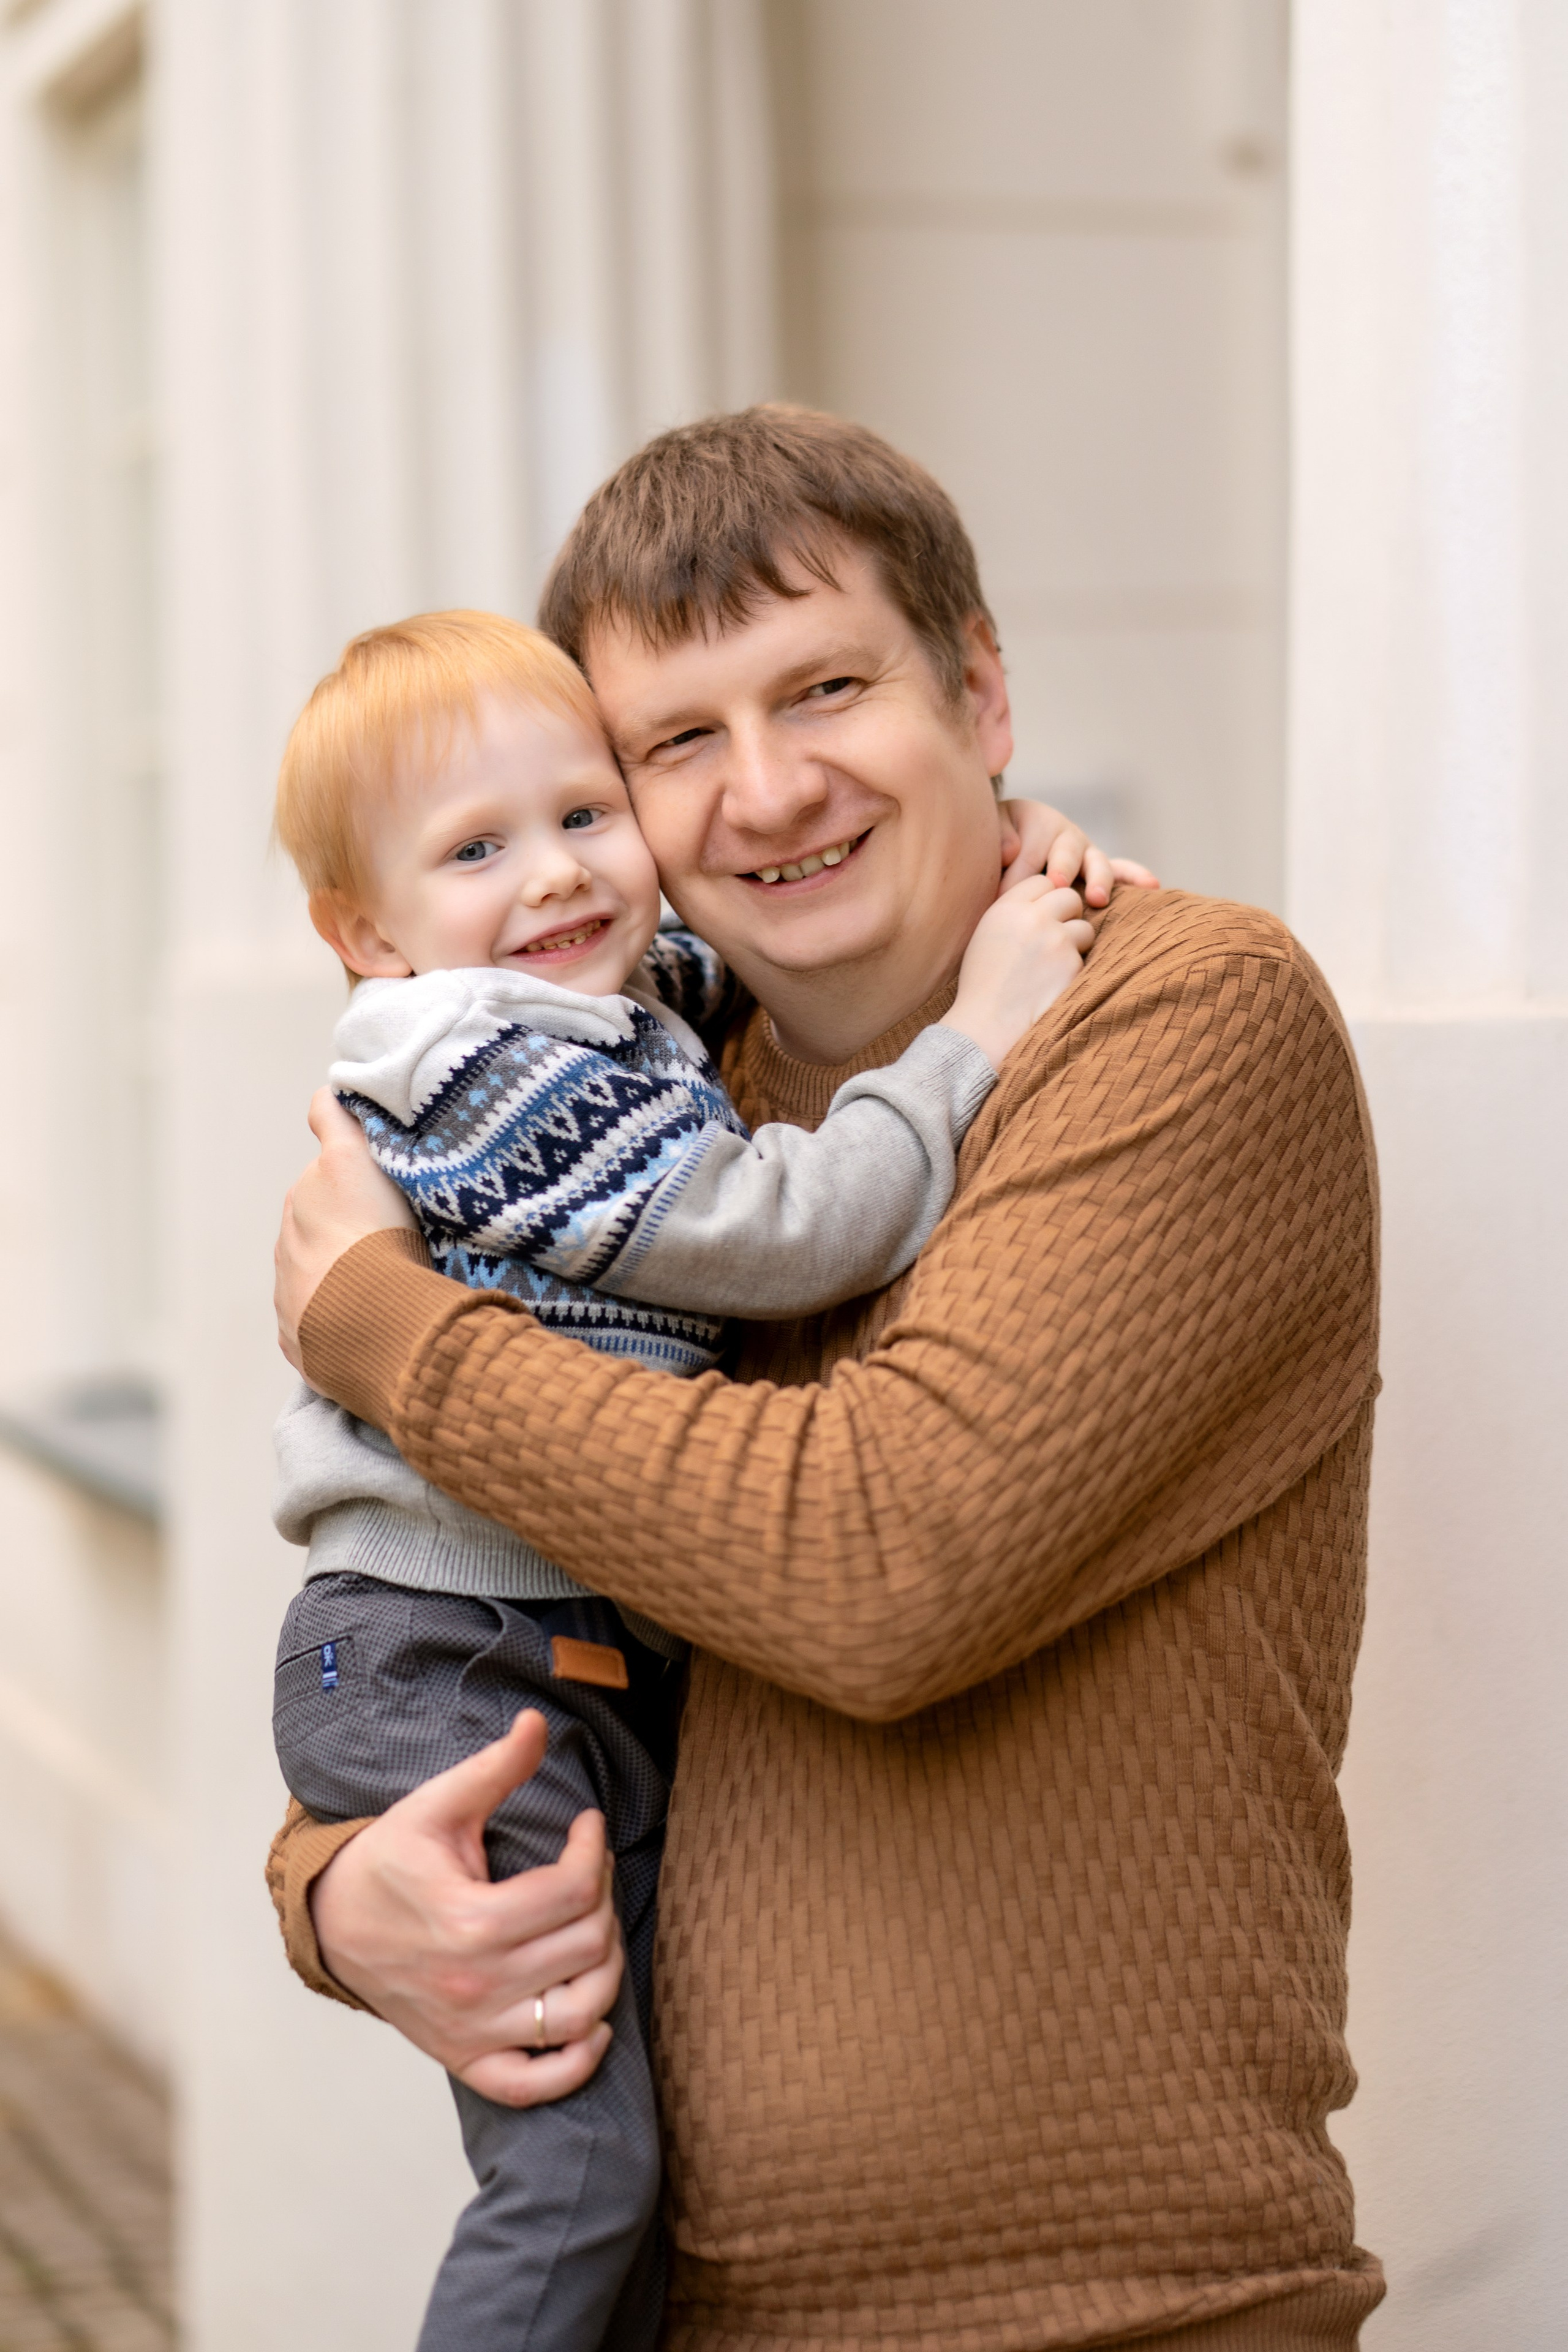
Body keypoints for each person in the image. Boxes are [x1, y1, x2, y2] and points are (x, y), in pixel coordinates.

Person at [270, 407, 1384, 2350]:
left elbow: (877, 1563)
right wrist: (343, 1892)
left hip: (1118, 2313)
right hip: (687, 2308)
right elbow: (483, 1599)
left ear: (980, 691)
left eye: (830, 690)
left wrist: (384, 1322)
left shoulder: (1188, 1021)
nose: (767, 791)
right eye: (677, 743)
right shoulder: (662, 1115)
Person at [267, 605, 1095, 2352]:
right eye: (478, 848)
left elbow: (748, 967)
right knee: (578, 2167)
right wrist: (986, 1023)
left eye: (583, 813)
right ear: (366, 935)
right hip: (450, 1654)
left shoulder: (602, 1008)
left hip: (533, 1648)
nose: (560, 875)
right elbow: (789, 1228)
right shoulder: (481, 1071)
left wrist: (994, 850)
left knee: (633, 2163)